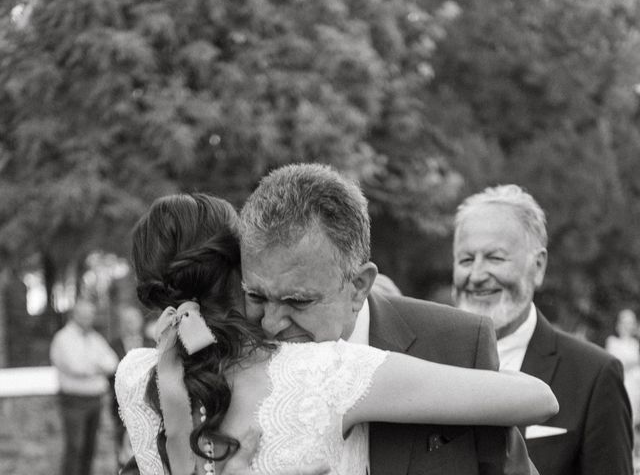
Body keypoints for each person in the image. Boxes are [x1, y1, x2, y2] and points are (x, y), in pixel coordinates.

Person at [117, 186, 556, 475]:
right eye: (258, 295)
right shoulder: (326, 370)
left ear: (359, 285)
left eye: (298, 300)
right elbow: (538, 398)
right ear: (239, 270)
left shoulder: (137, 376)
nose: (271, 322)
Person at [452, 184, 633, 475]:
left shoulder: (594, 375)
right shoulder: (427, 359)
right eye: (466, 260)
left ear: (538, 267)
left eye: (495, 258)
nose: (477, 275)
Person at [50, 299, 120, 475]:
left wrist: (93, 365)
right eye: (85, 315)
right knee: (75, 448)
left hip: (95, 400)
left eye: (91, 315)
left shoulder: (95, 338)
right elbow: (76, 367)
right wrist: (98, 365)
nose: (89, 318)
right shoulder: (63, 338)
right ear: (75, 315)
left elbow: (112, 363)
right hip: (73, 401)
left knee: (90, 449)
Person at [109, 305, 155, 468]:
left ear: (141, 322)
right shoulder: (112, 346)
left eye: (134, 320)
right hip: (121, 410)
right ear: (121, 323)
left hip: (149, 409)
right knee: (124, 455)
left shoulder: (152, 344)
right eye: (126, 321)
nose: (130, 324)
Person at [606, 308, 640, 427]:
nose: (629, 326)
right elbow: (616, 363)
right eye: (626, 322)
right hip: (622, 386)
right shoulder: (613, 342)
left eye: (631, 322)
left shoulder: (635, 344)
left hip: (635, 388)